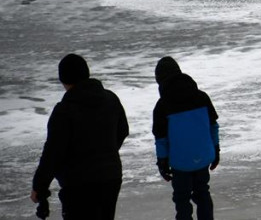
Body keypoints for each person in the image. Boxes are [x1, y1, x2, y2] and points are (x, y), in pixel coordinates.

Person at [31, 53, 129, 220]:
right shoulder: (111, 99)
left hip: (78, 184)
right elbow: (123, 130)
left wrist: (39, 187)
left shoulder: (64, 110)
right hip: (110, 177)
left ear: (63, 80)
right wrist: (106, 152)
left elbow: (53, 153)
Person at [153, 56, 220, 220]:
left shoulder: (162, 105)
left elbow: (161, 139)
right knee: (203, 193)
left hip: (180, 162)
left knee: (182, 199)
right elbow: (213, 126)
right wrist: (216, 150)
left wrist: (162, 163)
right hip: (203, 157)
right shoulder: (202, 97)